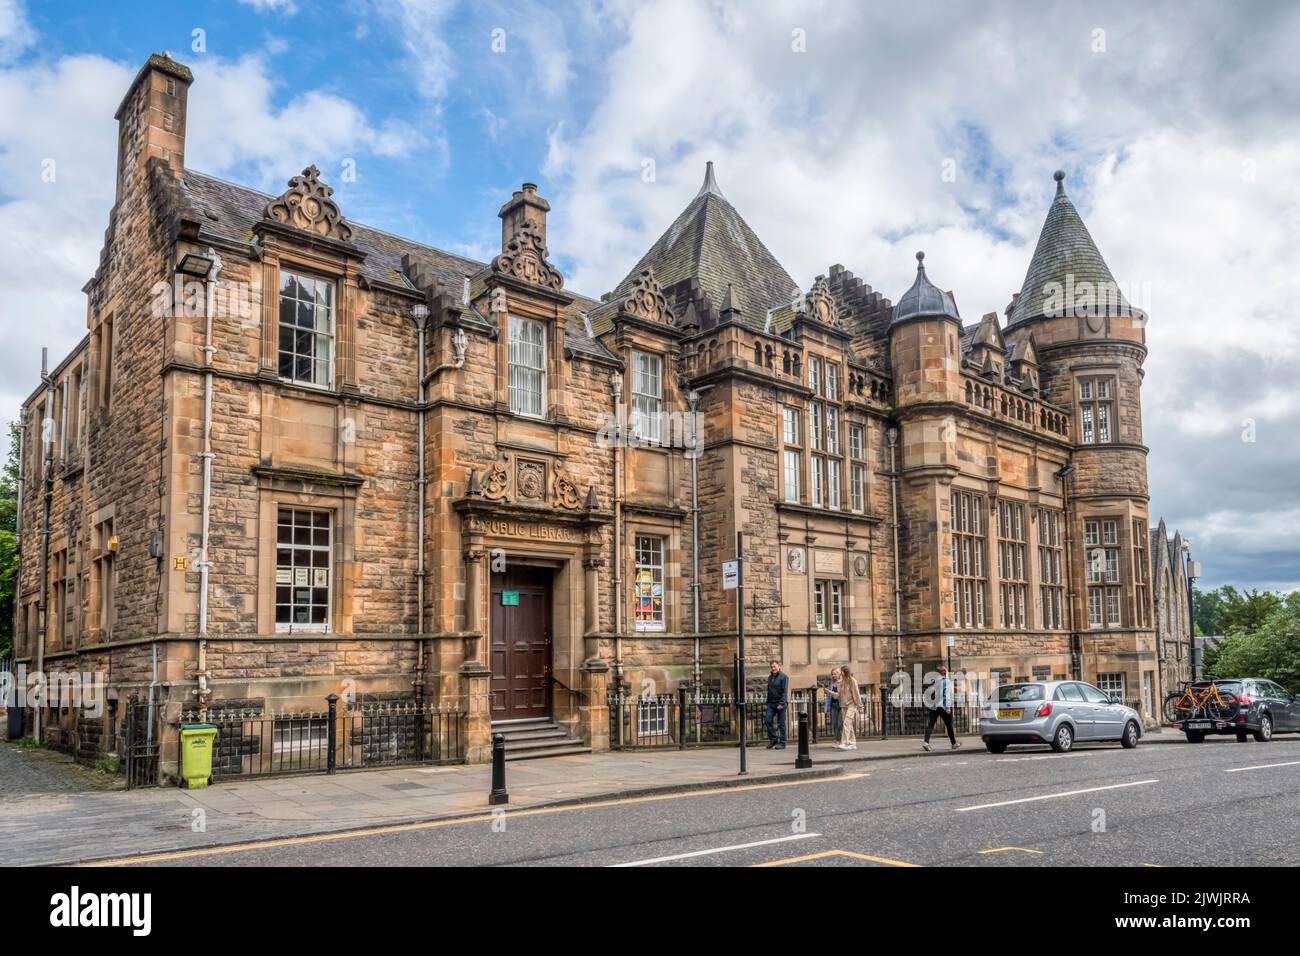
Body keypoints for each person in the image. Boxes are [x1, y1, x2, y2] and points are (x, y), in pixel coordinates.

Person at [922, 664, 961, 751]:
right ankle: (954, 743)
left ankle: (926, 742)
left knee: (930, 724)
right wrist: (947, 707)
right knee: (949, 725)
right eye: (946, 671)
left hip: (933, 706)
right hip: (943, 706)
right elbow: (946, 695)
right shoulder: (946, 681)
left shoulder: (933, 681)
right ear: (944, 673)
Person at [836, 664, 862, 750]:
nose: (840, 673)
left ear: (844, 672)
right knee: (849, 724)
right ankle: (852, 742)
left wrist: (860, 706)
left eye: (841, 671)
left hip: (852, 705)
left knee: (846, 723)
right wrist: (830, 693)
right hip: (843, 706)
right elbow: (839, 695)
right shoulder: (841, 682)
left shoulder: (852, 681)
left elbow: (856, 694)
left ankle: (844, 742)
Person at [764, 660, 788, 749]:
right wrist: (767, 703)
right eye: (772, 667)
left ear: (778, 666)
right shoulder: (770, 677)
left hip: (780, 703)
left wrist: (782, 703)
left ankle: (782, 742)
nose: (773, 668)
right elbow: (769, 691)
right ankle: (773, 739)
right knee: (767, 720)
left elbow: (784, 691)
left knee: (781, 724)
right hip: (771, 703)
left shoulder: (784, 677)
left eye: (774, 666)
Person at [824, 667, 843, 741]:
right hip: (833, 705)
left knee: (840, 723)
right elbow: (828, 697)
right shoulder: (831, 684)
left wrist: (829, 692)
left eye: (835, 674)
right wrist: (826, 707)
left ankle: (843, 740)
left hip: (841, 705)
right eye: (832, 674)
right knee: (834, 723)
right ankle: (838, 740)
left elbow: (840, 695)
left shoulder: (842, 682)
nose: (833, 675)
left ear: (839, 674)